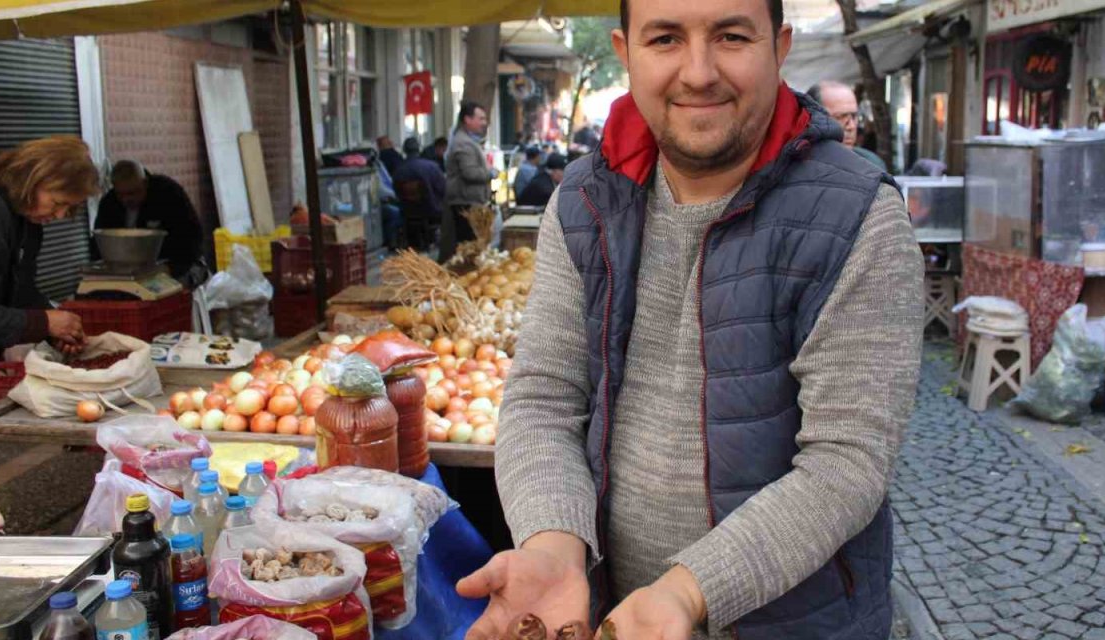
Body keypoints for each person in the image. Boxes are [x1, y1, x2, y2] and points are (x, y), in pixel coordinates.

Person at [457, 0, 922, 638]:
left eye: (731, 36)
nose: (698, 72)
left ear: (779, 46)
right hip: (608, 611)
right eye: (666, 39)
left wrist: (686, 592)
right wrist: (552, 543)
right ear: (625, 53)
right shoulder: (584, 201)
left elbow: (847, 461)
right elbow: (543, 395)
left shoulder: (858, 216)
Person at [0, 136, 99, 387]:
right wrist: (43, 322)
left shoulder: (27, 220)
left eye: (69, 209)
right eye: (58, 203)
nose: (60, 215)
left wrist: (56, 328)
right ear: (34, 180)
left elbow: (20, 289)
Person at [93, 161, 209, 289]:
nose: (127, 199)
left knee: (169, 289)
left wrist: (169, 268)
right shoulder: (109, 204)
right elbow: (101, 242)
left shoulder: (168, 193)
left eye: (133, 192)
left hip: (179, 262)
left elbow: (192, 239)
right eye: (121, 195)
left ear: (145, 183)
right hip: (131, 269)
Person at [443, 101, 493, 261]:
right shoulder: (463, 143)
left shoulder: (468, 141)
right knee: (468, 249)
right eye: (481, 118)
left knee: (473, 248)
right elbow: (470, 173)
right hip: (466, 203)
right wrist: (491, 172)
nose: (484, 123)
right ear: (468, 119)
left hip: (470, 201)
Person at [807, 80, 888, 172]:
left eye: (854, 116)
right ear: (813, 118)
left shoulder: (872, 163)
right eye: (839, 117)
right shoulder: (795, 166)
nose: (851, 126)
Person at [393, 135, 447, 251]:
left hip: (408, 212)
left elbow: (396, 193)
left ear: (404, 150)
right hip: (432, 210)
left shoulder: (398, 170)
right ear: (419, 149)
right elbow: (443, 189)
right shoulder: (431, 167)